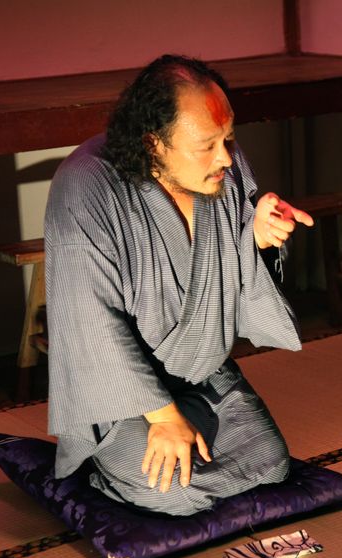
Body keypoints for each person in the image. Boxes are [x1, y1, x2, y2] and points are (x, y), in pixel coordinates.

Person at [44, 55, 314, 516]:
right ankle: (104, 466)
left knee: (270, 463)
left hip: (203, 374)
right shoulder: (86, 185)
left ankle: (168, 450)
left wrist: (257, 237)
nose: (225, 157)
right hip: (123, 395)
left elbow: (232, 265)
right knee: (174, 492)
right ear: (154, 142)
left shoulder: (221, 166)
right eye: (207, 146)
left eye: (228, 139)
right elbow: (89, 319)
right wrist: (164, 418)